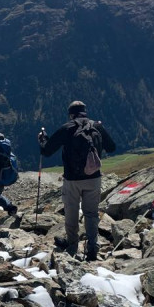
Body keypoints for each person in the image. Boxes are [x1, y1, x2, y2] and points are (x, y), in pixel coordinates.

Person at [38, 101, 116, 260]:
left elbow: (47, 151)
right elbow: (112, 147)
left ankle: (72, 245)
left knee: (71, 211)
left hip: (72, 179)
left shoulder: (67, 128)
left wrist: (42, 140)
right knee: (91, 213)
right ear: (85, 112)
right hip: (94, 178)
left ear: (71, 114)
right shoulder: (97, 126)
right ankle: (93, 247)